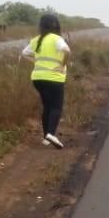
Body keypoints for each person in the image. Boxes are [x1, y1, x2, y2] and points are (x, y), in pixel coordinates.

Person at [20, 14, 70, 149]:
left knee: (47, 107)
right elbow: (67, 51)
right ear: (56, 25)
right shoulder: (57, 38)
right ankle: (51, 134)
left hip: (37, 78)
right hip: (54, 77)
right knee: (56, 107)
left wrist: (36, 62)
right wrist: (61, 65)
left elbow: (24, 53)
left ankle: (46, 138)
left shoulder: (36, 40)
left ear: (41, 26)